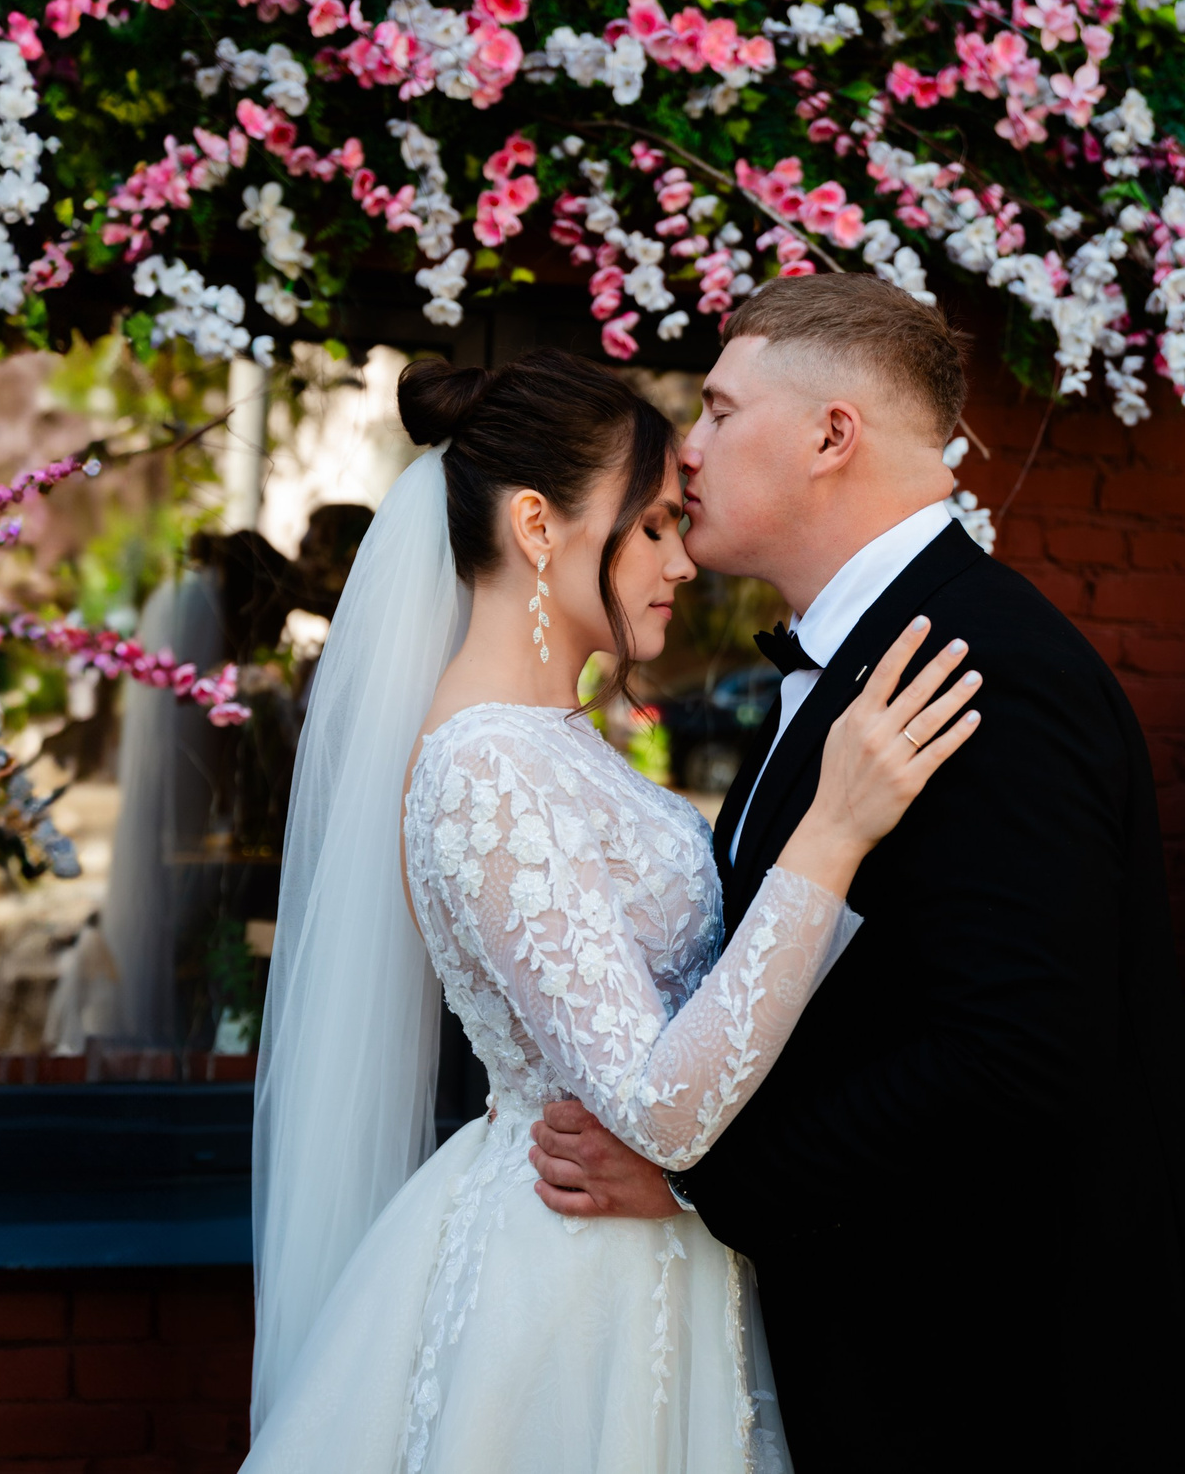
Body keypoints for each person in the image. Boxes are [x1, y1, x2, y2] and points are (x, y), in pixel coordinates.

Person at [526, 274, 1185, 1472]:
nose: (685, 451)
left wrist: (705, 1180)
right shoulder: (862, 655)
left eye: (716, 408)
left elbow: (1012, 1055)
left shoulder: (984, 669)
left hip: (997, 1388)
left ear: (829, 435)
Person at [244, 346, 978, 1473]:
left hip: (654, 1257)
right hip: (572, 1284)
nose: (682, 561)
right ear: (538, 529)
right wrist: (831, 834)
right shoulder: (485, 767)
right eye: (651, 527)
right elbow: (655, 1110)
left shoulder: (551, 745)